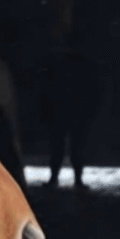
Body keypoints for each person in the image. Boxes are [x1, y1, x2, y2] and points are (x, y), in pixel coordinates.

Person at [39, 43, 102, 191]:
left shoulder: (57, 68)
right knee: (74, 147)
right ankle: (75, 179)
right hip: (73, 112)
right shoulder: (82, 69)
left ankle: (57, 178)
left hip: (63, 112)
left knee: (60, 147)